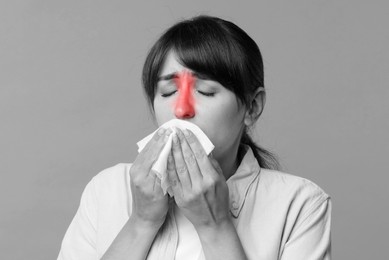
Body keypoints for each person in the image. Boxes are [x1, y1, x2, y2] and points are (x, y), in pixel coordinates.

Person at [58, 15, 331, 260]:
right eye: (167, 92)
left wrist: (215, 227)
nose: (181, 109)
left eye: (206, 91)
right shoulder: (107, 190)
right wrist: (141, 221)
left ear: (252, 107)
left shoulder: (299, 204)